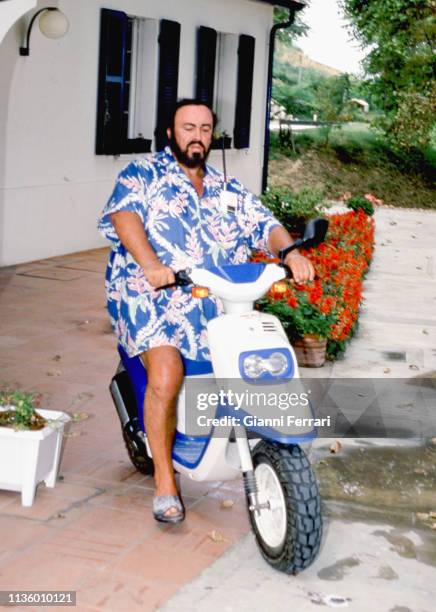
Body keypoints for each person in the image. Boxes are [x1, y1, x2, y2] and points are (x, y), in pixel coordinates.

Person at [98, 98, 314, 524]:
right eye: (187, 127)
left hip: (211, 298)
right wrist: (152, 266)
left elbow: (264, 224)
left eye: (204, 128)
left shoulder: (226, 187)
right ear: (169, 134)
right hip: (149, 296)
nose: (196, 136)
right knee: (167, 373)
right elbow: (125, 218)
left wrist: (288, 252)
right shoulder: (143, 174)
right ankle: (165, 483)